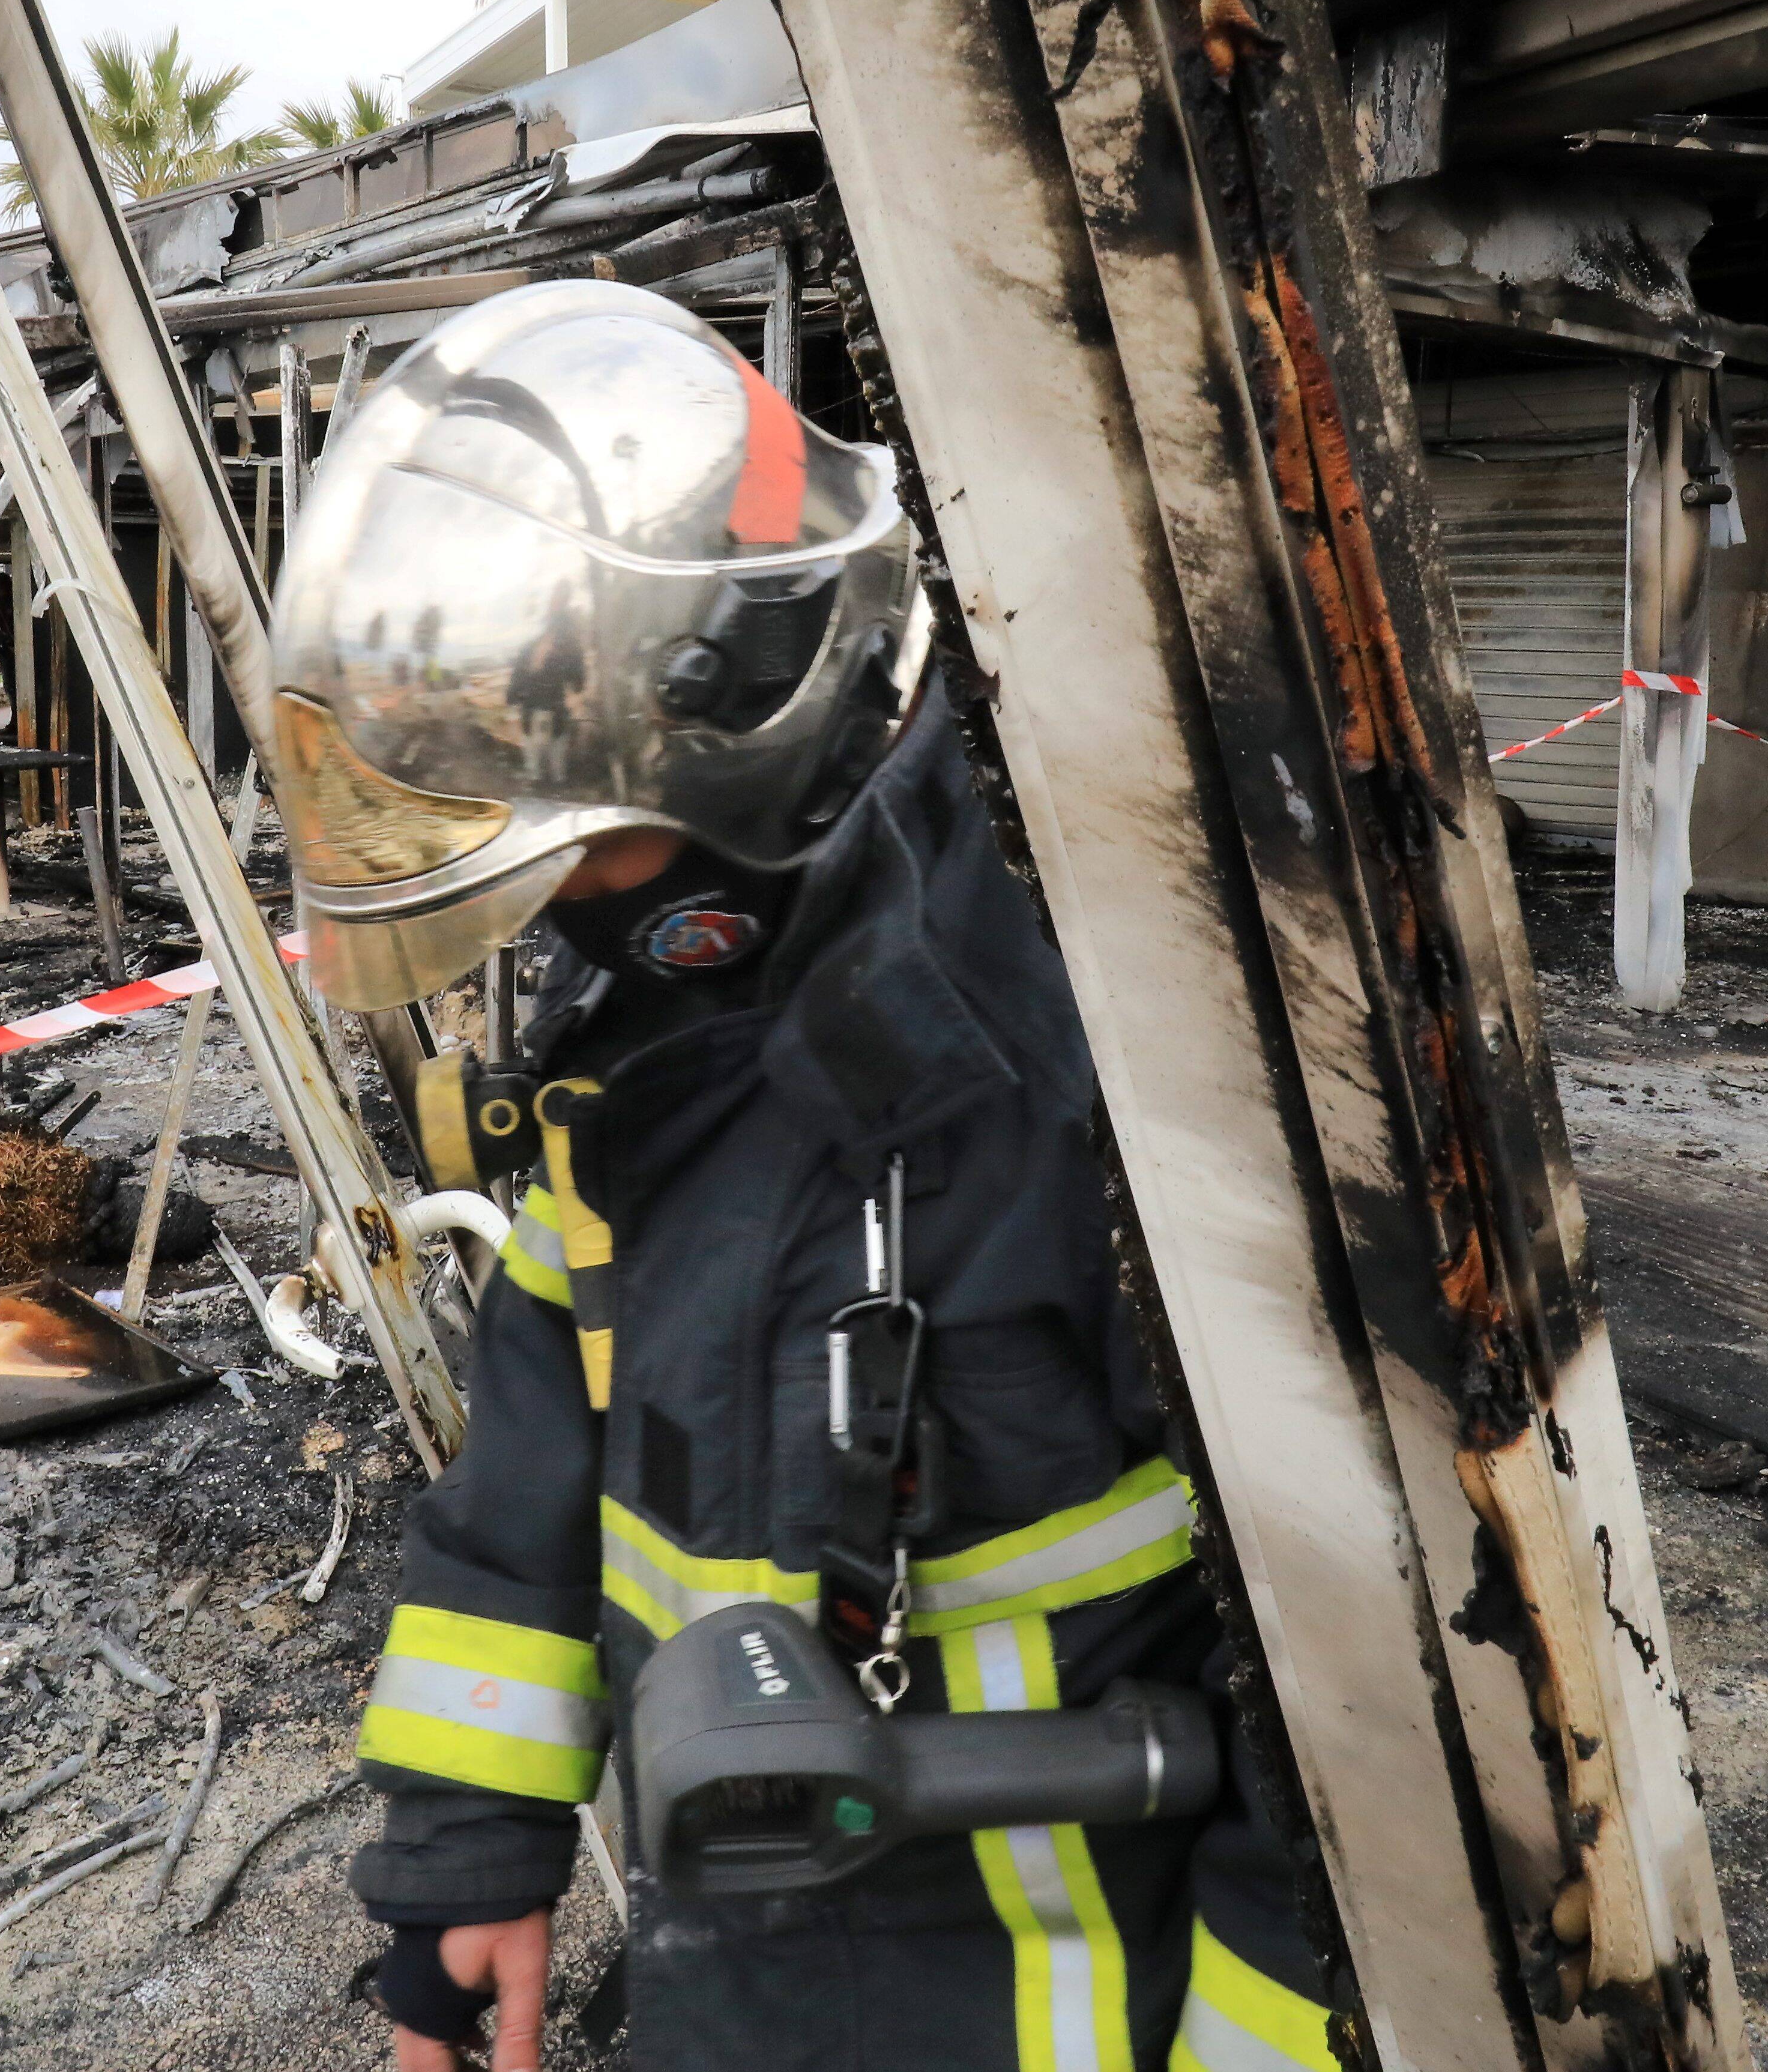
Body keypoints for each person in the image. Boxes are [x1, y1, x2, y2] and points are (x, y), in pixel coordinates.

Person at [270, 284, 1341, 2072]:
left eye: (581, 851)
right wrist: (470, 1857)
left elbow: (1351, 1697)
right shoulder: (651, 1054)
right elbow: (534, 1481)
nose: (561, 918)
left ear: (747, 723)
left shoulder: (1121, 1059)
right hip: (747, 1981)